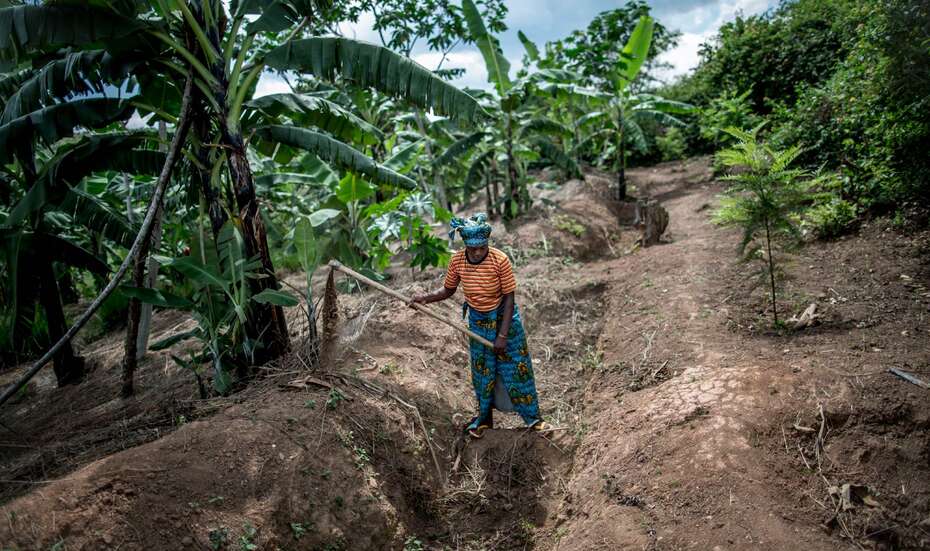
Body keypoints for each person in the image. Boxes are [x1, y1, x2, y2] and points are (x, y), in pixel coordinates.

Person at [411, 213, 549, 438]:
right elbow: (448, 290)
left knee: (517, 367)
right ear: (465, 245)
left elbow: (509, 297)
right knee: (483, 372)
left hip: (505, 319)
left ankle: (533, 419)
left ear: (487, 243)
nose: (477, 252)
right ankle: (485, 420)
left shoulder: (500, 260)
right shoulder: (457, 261)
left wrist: (503, 336)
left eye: (481, 247)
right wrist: (424, 298)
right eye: (472, 248)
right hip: (478, 321)